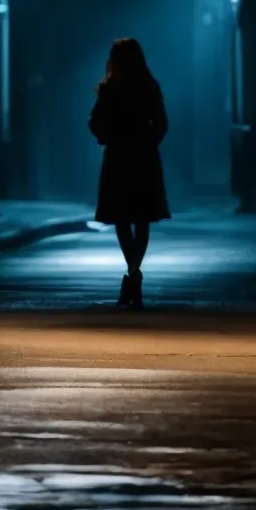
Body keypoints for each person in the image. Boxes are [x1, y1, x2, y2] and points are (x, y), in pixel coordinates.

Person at [89, 37, 171, 308]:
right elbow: (161, 123)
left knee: (122, 218)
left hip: (118, 157)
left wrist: (108, 137)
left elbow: (95, 122)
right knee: (142, 218)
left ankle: (133, 271)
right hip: (144, 157)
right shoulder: (149, 86)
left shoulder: (110, 89)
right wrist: (148, 140)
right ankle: (134, 271)